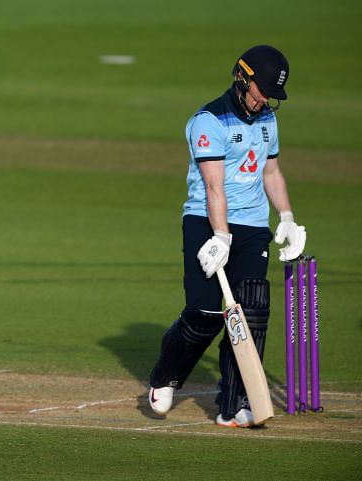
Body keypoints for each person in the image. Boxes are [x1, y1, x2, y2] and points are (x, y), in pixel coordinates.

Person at [147, 45, 306, 427]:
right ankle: (165, 377)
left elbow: (271, 173)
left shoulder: (267, 119)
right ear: (241, 78)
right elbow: (213, 187)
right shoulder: (209, 121)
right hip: (205, 220)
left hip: (251, 225)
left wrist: (286, 218)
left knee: (251, 311)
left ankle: (233, 405)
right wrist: (220, 236)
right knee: (205, 315)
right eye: (259, 90)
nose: (263, 100)